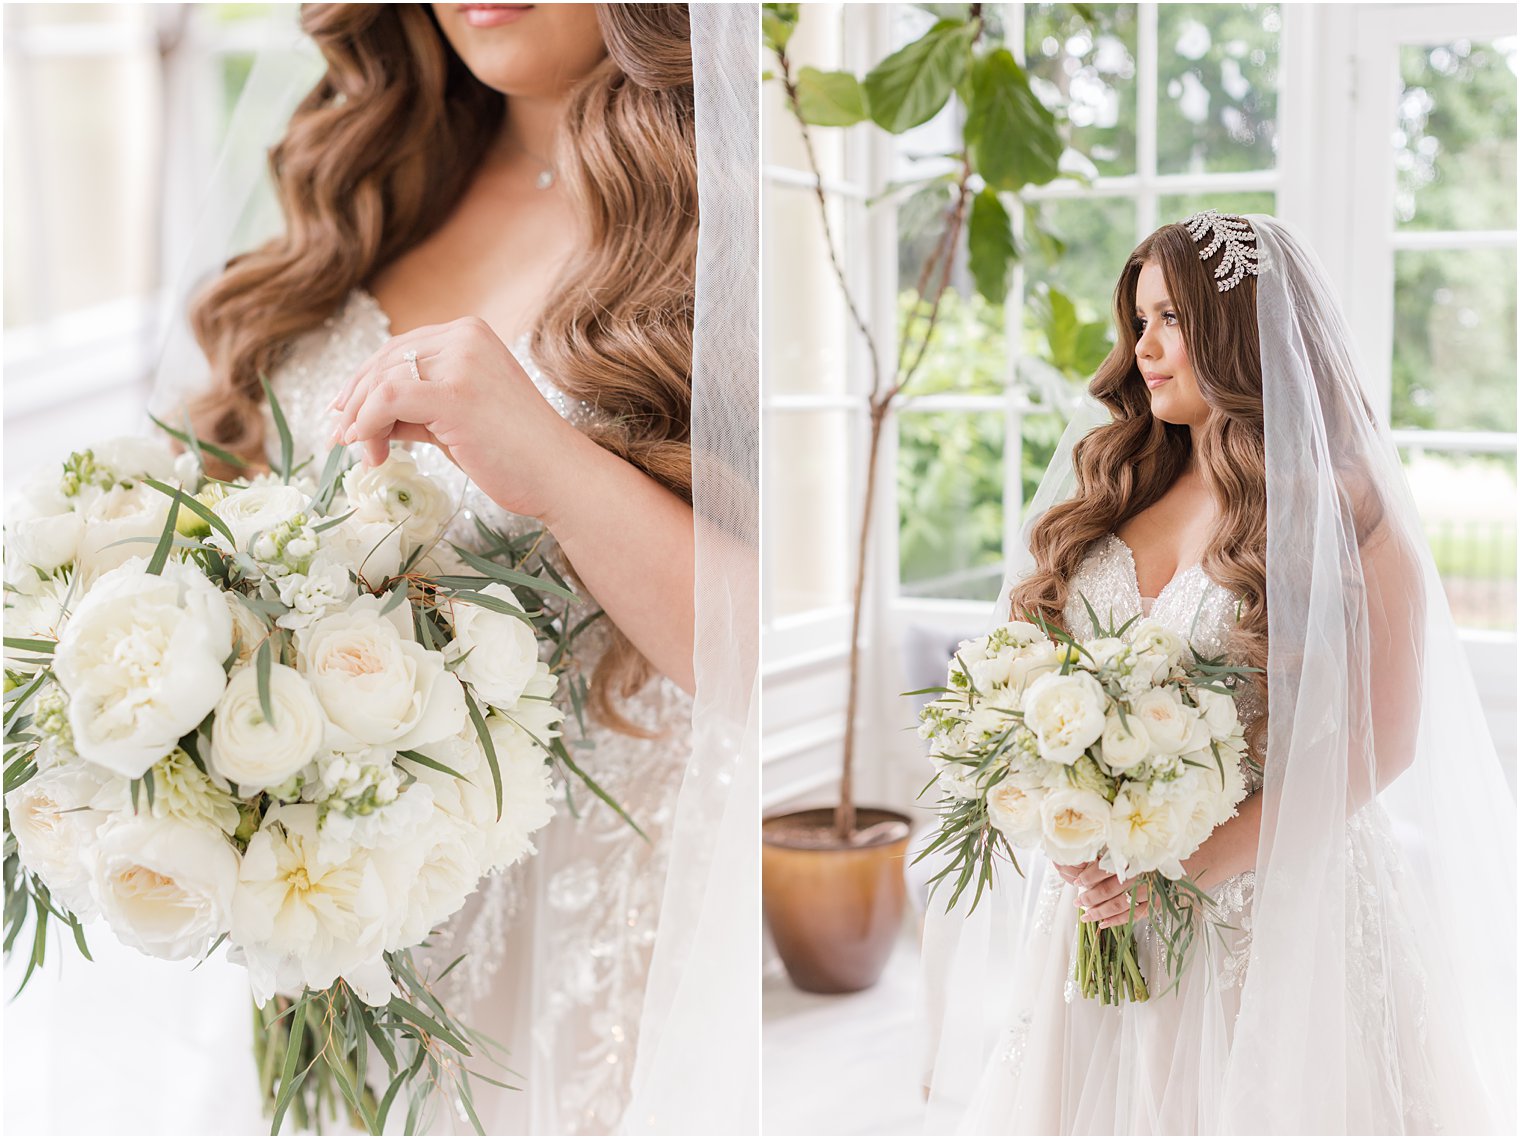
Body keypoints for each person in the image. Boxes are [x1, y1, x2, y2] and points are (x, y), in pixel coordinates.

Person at [5, 4, 755, 1135]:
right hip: (320, 938)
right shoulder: (373, 185)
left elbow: (758, 648)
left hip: (581, 965)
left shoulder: (741, 222)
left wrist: (551, 464)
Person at [922, 212, 1515, 1135]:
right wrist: (1064, 824)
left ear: (1239, 331)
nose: (1144, 346)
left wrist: (1187, 864)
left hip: (1266, 901)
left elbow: (1382, 741)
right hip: (1102, 904)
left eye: (1170, 319)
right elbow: (1023, 682)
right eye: (1140, 319)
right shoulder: (1113, 486)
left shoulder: (1343, 508)